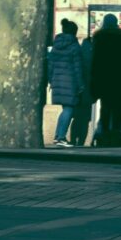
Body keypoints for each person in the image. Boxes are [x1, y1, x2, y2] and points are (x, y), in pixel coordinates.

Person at [90, 14, 121, 147]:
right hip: (119, 80)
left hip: (104, 79)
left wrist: (94, 82)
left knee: (105, 108)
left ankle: (104, 137)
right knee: (118, 109)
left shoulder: (99, 39)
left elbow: (96, 63)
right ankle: (115, 137)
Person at [47, 19, 84, 147]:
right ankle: (61, 137)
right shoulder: (75, 47)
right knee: (68, 109)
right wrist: (81, 85)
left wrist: (51, 81)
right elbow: (78, 68)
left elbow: (50, 66)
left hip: (57, 82)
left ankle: (58, 136)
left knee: (65, 109)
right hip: (71, 82)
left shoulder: (55, 46)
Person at [70, 36, 94, 147]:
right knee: (84, 120)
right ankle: (81, 142)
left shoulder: (78, 54)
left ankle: (73, 140)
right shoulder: (93, 56)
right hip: (88, 91)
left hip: (77, 91)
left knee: (76, 118)